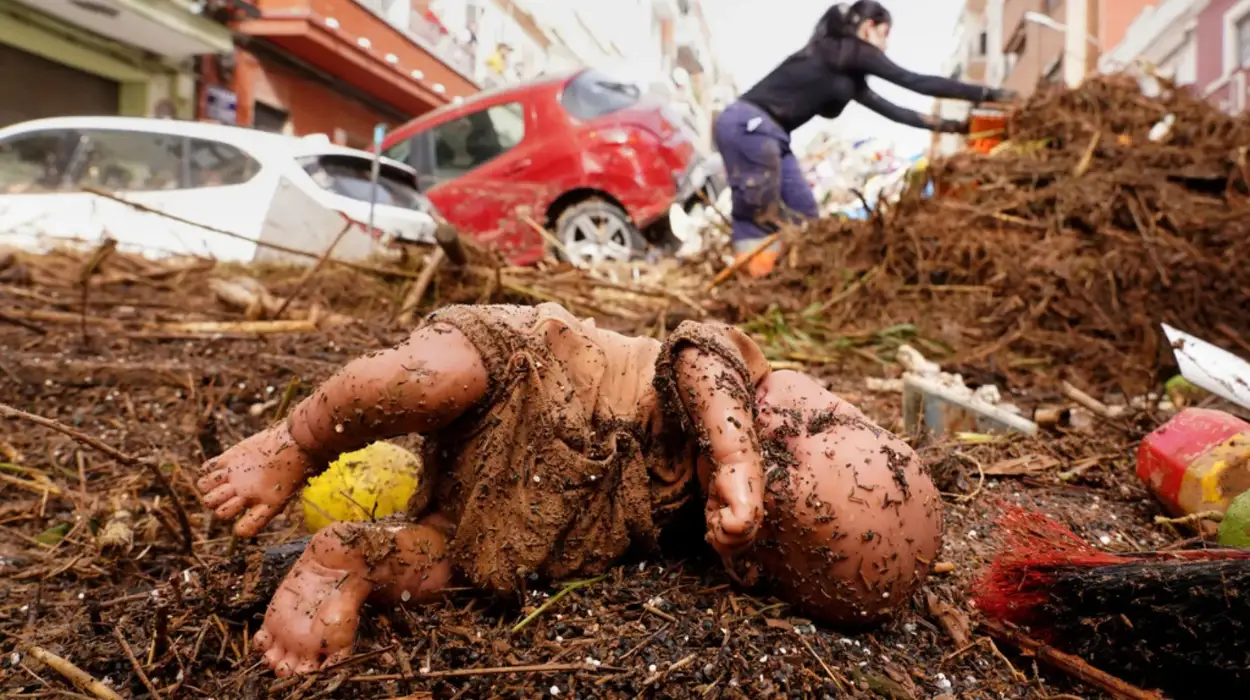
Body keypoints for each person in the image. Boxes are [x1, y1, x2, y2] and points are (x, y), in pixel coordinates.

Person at [196, 303, 942, 676]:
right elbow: (696, 345)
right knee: (425, 377)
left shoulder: (699, 533)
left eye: (787, 450)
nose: (789, 416)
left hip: (522, 509)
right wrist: (738, 449)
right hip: (523, 367)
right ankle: (295, 440)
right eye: (824, 418)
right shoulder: (731, 385)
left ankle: (346, 559)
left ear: (746, 562)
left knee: (458, 566)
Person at [714, 0, 1017, 277]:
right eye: (885, 34)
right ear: (868, 27)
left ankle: (789, 278)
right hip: (748, 122)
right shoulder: (844, 49)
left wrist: (955, 127)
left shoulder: (848, 73)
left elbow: (895, 112)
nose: (884, 45)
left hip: (774, 133)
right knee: (757, 209)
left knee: (804, 212)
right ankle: (753, 285)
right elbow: (914, 81)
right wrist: (987, 94)